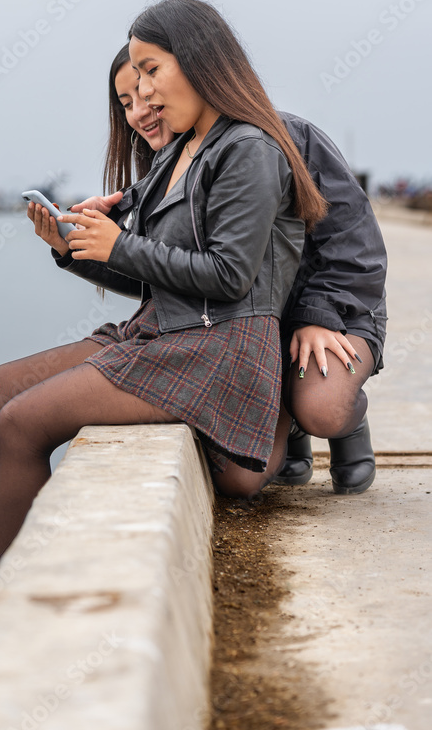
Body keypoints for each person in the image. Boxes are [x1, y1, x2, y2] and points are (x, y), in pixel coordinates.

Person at [0, 0, 322, 668]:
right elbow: (160, 281)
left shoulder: (248, 149)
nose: (140, 90)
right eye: (134, 76)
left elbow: (226, 276)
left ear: (199, 62)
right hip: (165, 330)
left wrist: (118, 246)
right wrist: (74, 249)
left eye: (149, 70)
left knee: (22, 422)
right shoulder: (177, 155)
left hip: (218, 349)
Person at [89, 44, 386, 494]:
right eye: (127, 102)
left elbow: (352, 242)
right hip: (252, 326)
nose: (141, 110)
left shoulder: (281, 136)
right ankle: (291, 425)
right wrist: (86, 249)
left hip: (331, 311)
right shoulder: (169, 167)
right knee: (248, 470)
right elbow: (170, 276)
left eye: (148, 89)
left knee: (322, 406)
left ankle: (343, 423)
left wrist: (316, 316)